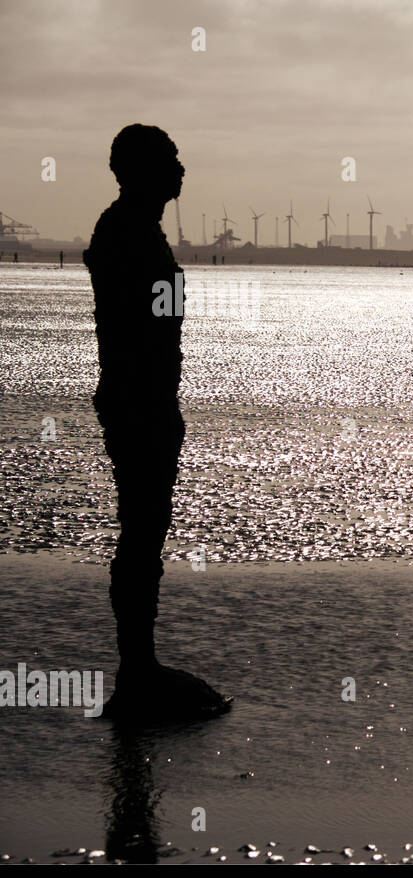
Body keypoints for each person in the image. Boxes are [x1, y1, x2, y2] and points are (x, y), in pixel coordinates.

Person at [83, 124, 229, 721]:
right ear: (140, 169)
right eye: (170, 159)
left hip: (148, 401)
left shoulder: (137, 234)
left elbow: (158, 322)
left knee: (146, 531)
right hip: (136, 402)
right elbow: (140, 328)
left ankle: (139, 664)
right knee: (141, 532)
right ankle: (136, 669)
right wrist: (154, 405)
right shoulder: (125, 235)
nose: (182, 170)